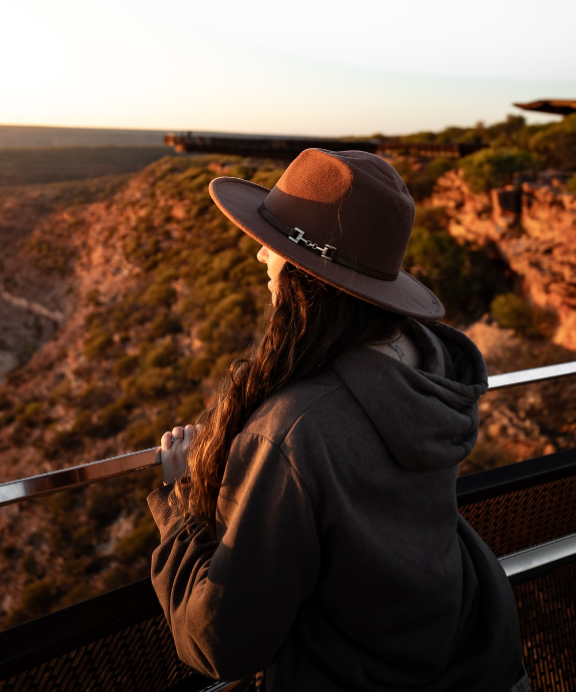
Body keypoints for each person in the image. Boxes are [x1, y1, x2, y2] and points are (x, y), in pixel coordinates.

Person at [148, 148, 527, 692]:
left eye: (273, 245)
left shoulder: (294, 430)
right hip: (478, 657)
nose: (260, 259)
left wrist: (181, 507)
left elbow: (220, 642)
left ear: (306, 273)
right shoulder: (430, 373)